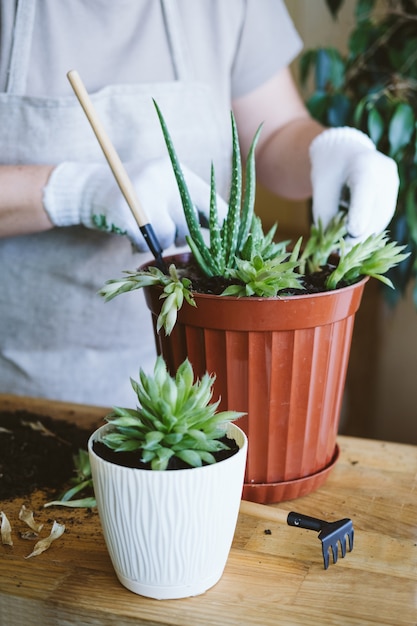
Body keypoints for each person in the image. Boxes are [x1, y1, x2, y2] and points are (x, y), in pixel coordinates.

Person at [0, 0, 399, 406]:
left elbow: (276, 130)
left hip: (203, 391)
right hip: (22, 387)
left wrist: (331, 153)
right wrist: (73, 190)